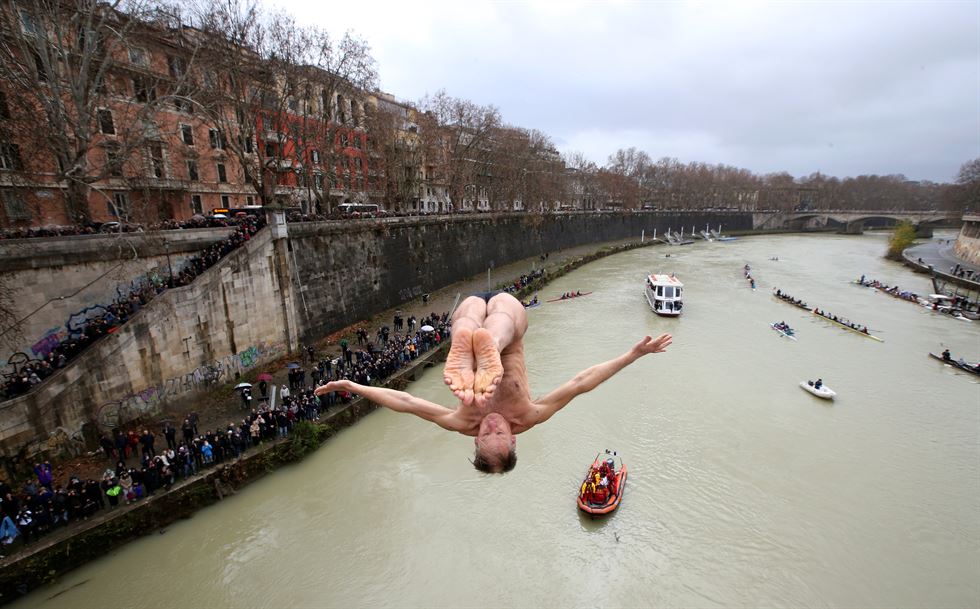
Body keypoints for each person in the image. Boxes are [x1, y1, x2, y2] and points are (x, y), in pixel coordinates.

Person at [315, 292, 672, 474]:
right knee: (500, 323)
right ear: (513, 437)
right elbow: (581, 383)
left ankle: (469, 343)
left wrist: (355, 387)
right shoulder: (529, 415)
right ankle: (488, 347)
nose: (491, 427)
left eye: (485, 436)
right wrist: (632, 355)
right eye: (499, 434)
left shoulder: (462, 422)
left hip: (471, 315)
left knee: (466, 321)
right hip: (509, 319)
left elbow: (407, 404)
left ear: (476, 440)